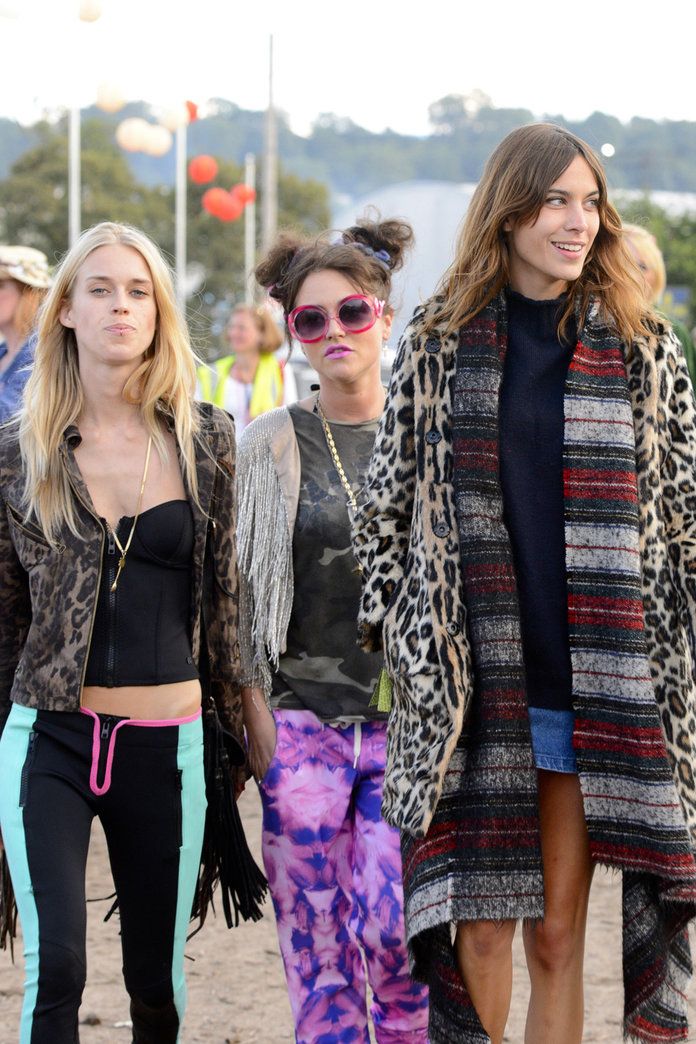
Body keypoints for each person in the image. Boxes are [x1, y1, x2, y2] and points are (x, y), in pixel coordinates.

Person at [353, 124, 696, 1044]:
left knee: (555, 938)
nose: (576, 221)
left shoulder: (643, 350)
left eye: (589, 202)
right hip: (477, 690)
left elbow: (683, 521)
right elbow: (385, 510)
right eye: (554, 201)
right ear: (507, 214)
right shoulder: (435, 343)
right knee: (483, 934)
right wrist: (403, 638)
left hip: (598, 691)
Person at [0, 221, 252, 1043]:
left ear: (158, 314)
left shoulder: (206, 439)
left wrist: (252, 711)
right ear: (65, 309)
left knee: (156, 981)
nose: (120, 306)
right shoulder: (16, 455)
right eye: (100, 289)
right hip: (49, 739)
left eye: (138, 291)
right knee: (56, 973)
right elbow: (5, 616)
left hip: (166, 742)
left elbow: (227, 596)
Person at [237, 218, 430, 1043]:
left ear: (383, 313)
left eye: (350, 312)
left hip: (412, 731)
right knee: (314, 944)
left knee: (398, 934)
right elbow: (240, 597)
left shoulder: (434, 434)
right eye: (310, 320)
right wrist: (253, 718)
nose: (334, 333)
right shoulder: (269, 442)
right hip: (300, 724)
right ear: (294, 334)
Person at [197, 302, 297, 438]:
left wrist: (266, 426)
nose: (233, 333)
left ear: (262, 334)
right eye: (231, 327)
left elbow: (292, 424)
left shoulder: (281, 371)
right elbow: (196, 424)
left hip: (265, 456)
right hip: (219, 457)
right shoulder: (208, 373)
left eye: (241, 328)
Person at [623, 221, 696, 383]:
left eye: (642, 266)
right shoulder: (585, 325)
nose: (632, 275)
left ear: (656, 273)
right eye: (623, 264)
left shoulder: (673, 330)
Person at [0, 245, 52, 421]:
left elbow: (6, 419)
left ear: (29, 292)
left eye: (0, 285)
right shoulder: (4, 351)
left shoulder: (41, 353)